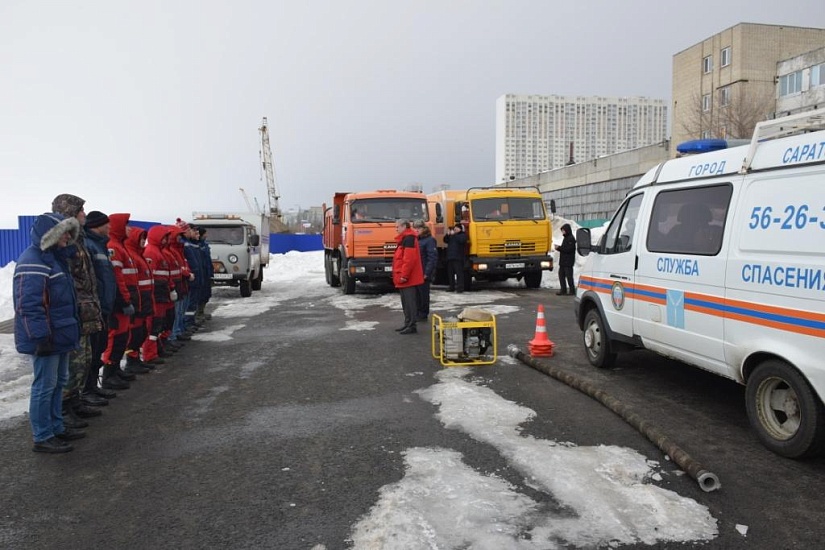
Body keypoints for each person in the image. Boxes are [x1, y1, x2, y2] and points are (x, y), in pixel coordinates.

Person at [13, 212, 84, 453]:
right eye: (63, 232)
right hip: (46, 336)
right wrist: (39, 336)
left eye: (68, 232)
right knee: (45, 385)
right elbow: (28, 304)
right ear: (50, 235)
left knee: (58, 383)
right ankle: (42, 436)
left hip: (60, 333)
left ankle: (56, 427)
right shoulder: (33, 260)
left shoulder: (54, 259)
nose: (67, 237)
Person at [50, 194, 107, 428]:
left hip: (86, 311)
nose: (84, 214)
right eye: (80, 211)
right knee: (72, 365)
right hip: (74, 313)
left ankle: (75, 402)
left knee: (83, 361)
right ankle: (63, 410)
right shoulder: (63, 243)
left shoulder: (78, 240)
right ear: (70, 214)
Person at [84, 211, 128, 392]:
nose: (110, 226)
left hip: (104, 307)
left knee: (99, 348)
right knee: (93, 352)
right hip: (97, 307)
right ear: (97, 225)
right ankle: (88, 390)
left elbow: (108, 278)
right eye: (106, 224)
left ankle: (93, 388)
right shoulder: (91, 245)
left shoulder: (100, 246)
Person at [392, 219, 424, 334]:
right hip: (404, 277)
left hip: (407, 278)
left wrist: (404, 275)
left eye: (397, 227)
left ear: (404, 226)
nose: (396, 229)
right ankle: (408, 323)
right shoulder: (405, 239)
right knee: (406, 302)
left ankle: (411, 325)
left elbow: (409, 260)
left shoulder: (409, 239)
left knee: (410, 302)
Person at [413, 220, 437, 321]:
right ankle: (418, 312)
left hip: (423, 272)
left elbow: (432, 258)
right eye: (415, 228)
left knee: (423, 294)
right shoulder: (417, 240)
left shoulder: (429, 240)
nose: (416, 230)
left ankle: (423, 313)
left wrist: (427, 273)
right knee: (417, 295)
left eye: (418, 228)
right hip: (416, 271)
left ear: (424, 229)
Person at [443, 223, 468, 292]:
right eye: (454, 228)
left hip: (458, 257)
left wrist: (454, 235)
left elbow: (461, 241)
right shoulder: (451, 236)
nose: (455, 229)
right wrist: (447, 234)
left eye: (457, 228)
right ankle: (451, 287)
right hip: (450, 257)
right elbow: (445, 240)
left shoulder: (462, 235)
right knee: (450, 273)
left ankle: (460, 287)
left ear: (460, 229)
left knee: (459, 273)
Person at [555, 223, 576, 295]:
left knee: (569, 277)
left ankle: (572, 290)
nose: (562, 232)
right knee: (561, 275)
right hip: (563, 262)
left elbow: (569, 249)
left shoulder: (571, 238)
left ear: (567, 230)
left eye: (563, 230)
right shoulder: (566, 238)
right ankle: (563, 290)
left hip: (568, 262)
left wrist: (559, 248)